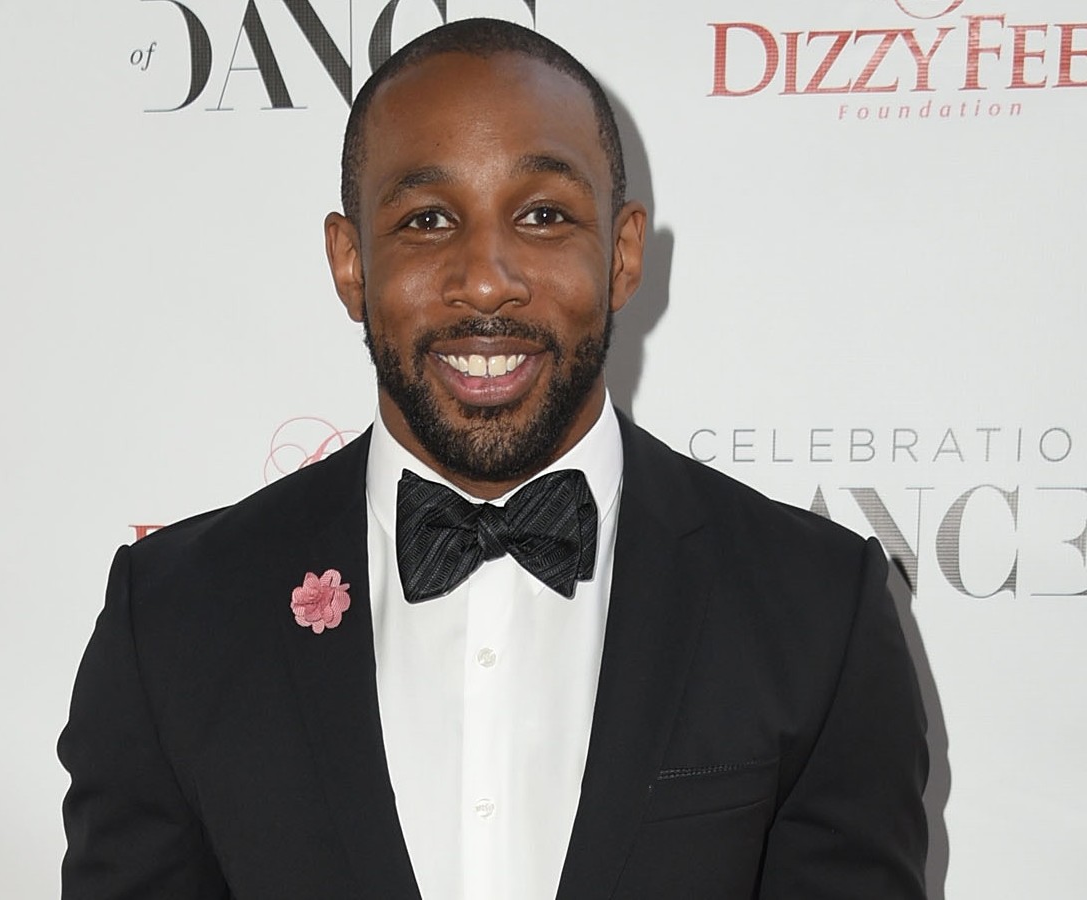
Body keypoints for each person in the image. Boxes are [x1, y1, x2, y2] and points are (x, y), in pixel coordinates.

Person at [59, 17, 928, 899]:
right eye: (427, 220)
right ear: (351, 264)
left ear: (623, 255)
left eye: (544, 216)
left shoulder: (816, 609)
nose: (484, 279)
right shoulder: (172, 620)